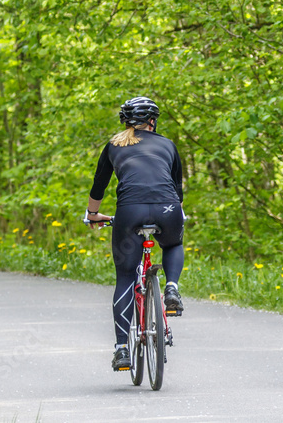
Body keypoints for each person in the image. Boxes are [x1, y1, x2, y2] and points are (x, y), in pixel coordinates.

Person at [85, 96, 186, 372]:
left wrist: (93, 215)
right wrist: (176, 212)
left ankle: (121, 349)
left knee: (127, 277)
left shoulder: (114, 145)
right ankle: (172, 288)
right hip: (168, 208)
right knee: (173, 242)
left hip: (129, 212)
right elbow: (177, 189)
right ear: (152, 121)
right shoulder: (168, 144)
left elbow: (99, 186)